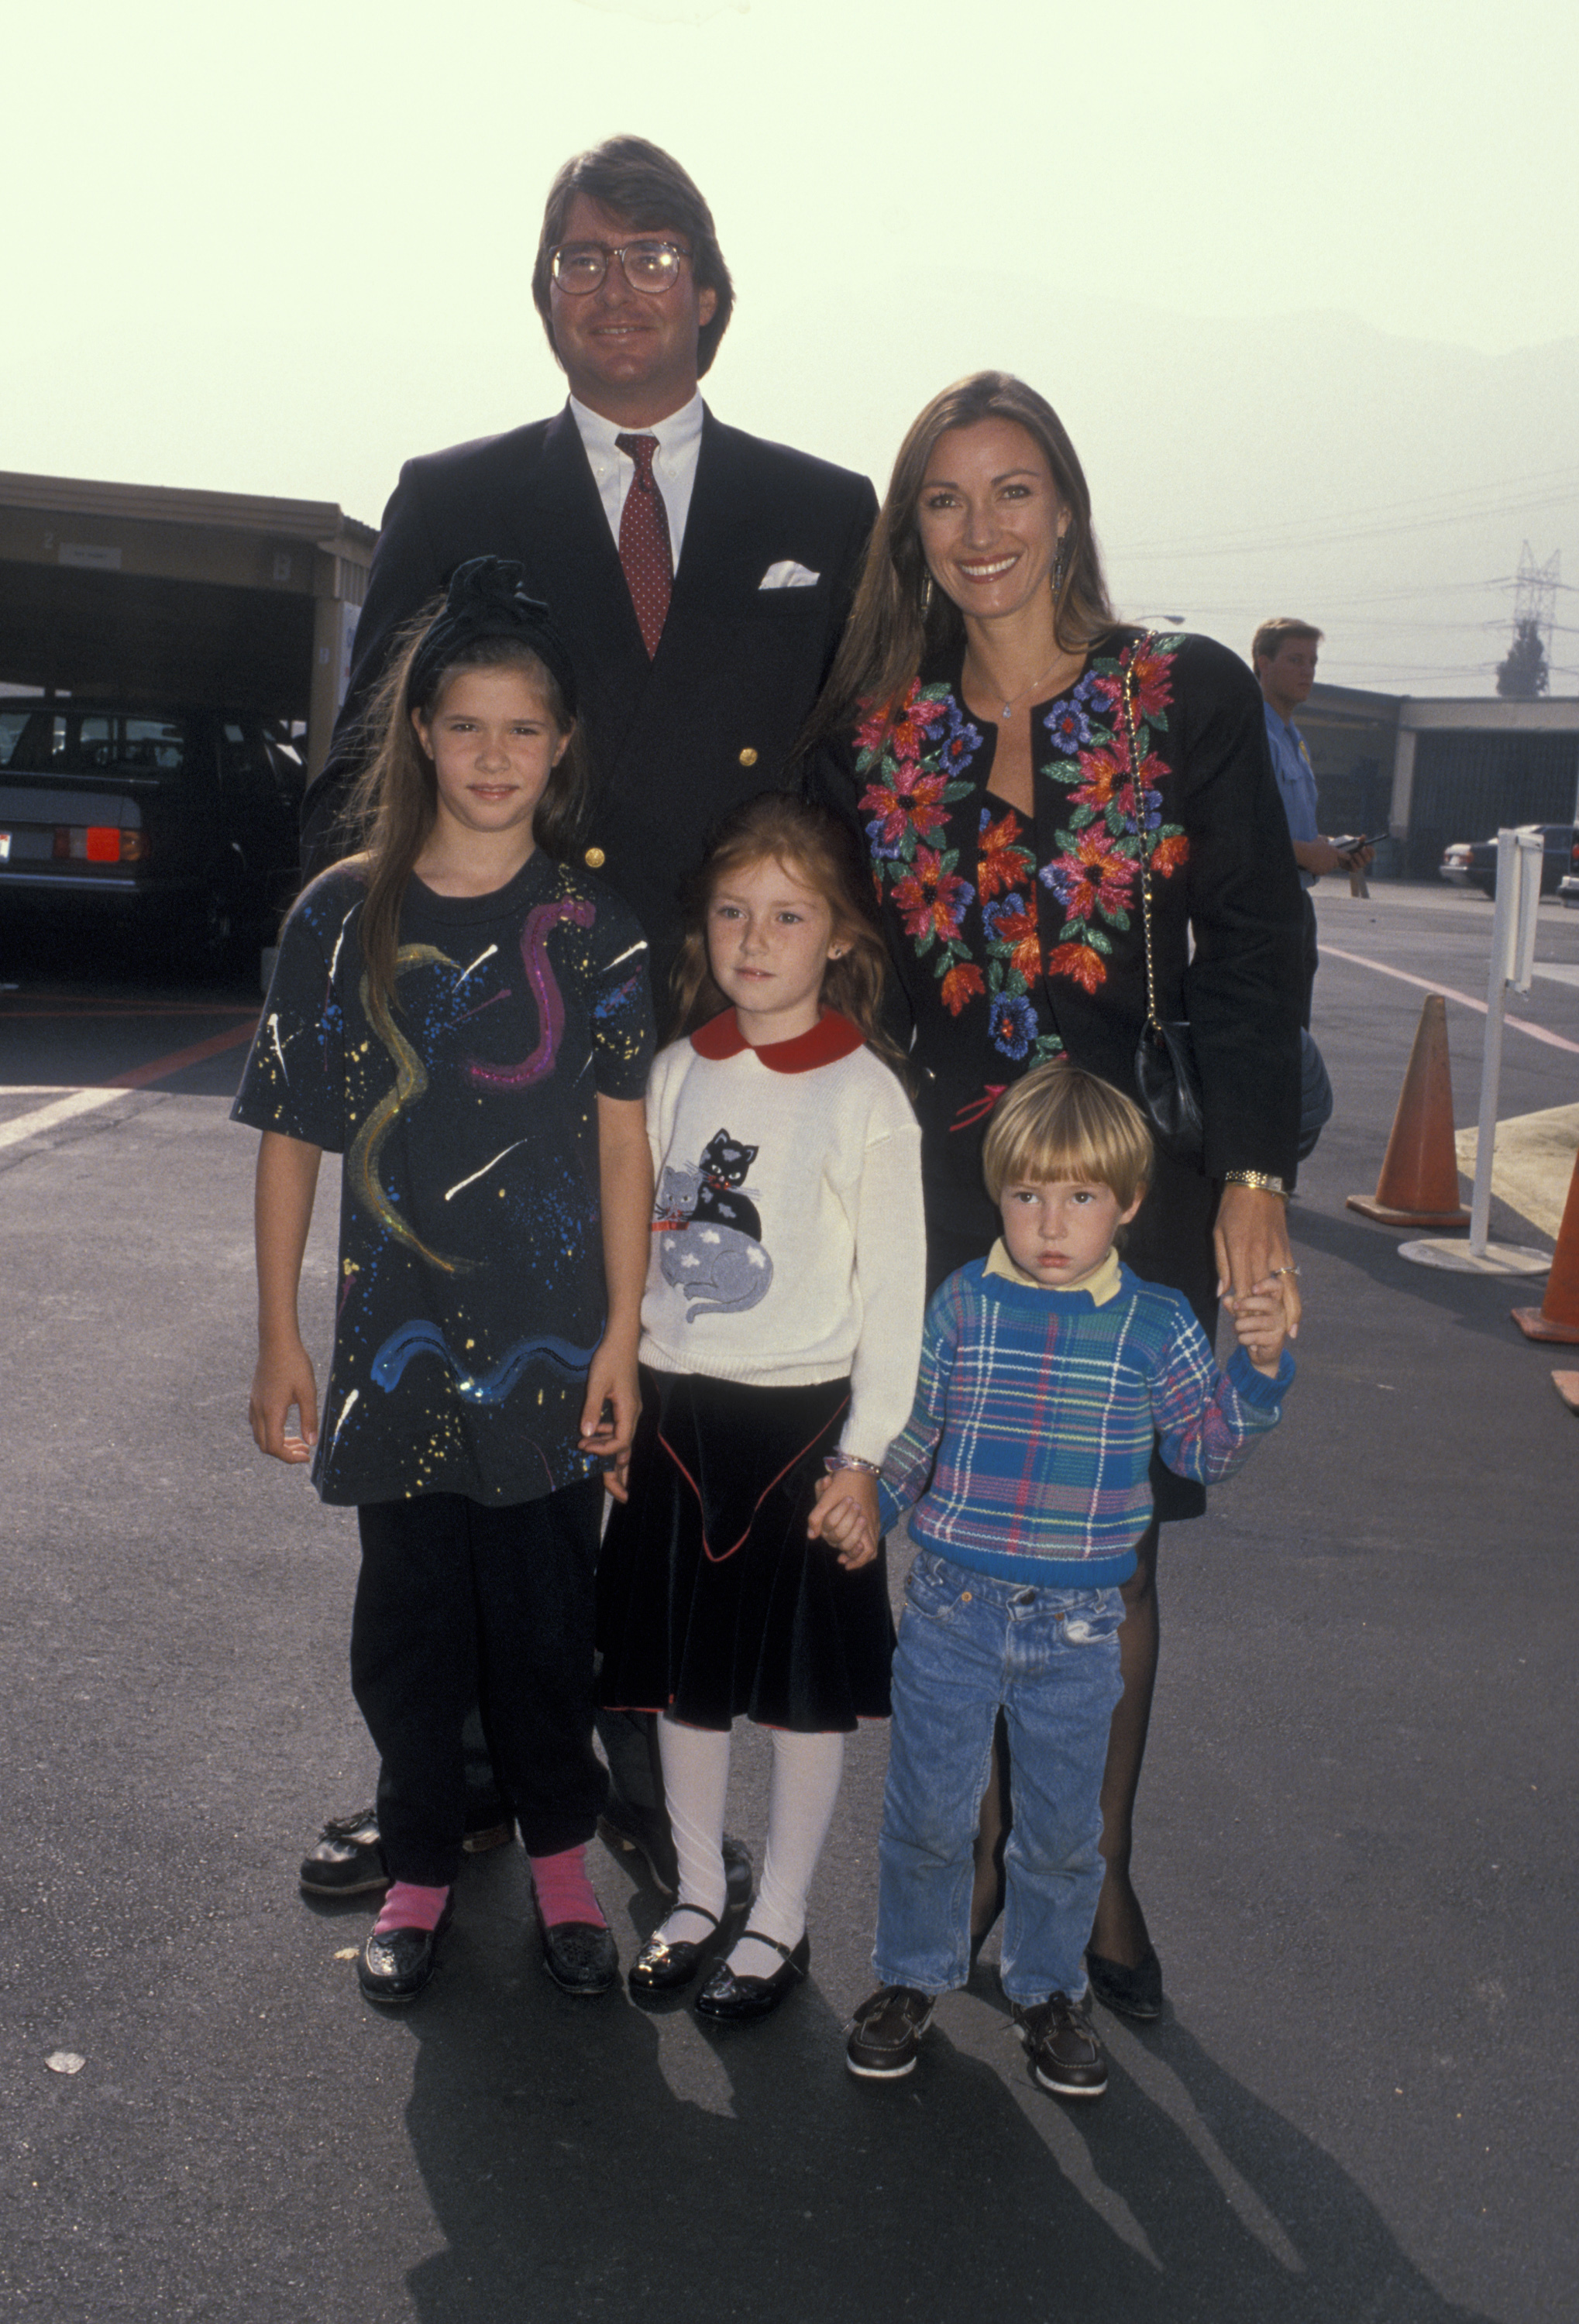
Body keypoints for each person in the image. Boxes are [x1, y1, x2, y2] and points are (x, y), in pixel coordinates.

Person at [297, 134, 878, 1904]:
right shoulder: (453, 489)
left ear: (708, 289)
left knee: (691, 1408)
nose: (609, 284)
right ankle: (450, 1774)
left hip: (727, 1041)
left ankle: (634, 1760)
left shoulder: (827, 511)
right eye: (575, 257)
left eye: (646, 255)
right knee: (468, 1419)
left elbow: (861, 786)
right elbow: (365, 767)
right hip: (497, 1047)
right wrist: (369, 979)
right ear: (541, 291)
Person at [807, 370, 1306, 2023]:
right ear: (910, 533)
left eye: (1011, 491)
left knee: (1111, 1563)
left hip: (1134, 1189)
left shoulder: (1182, 695)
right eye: (943, 501)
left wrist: (1250, 1178)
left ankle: (1085, 1869)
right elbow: (820, 950)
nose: (980, 531)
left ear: (1068, 506)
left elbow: (1252, 948)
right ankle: (959, 1855)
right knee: (947, 1537)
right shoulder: (871, 735)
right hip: (949, 1202)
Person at [237, 560, 655, 2005]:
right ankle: (418, 1865)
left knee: (547, 1627)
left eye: (522, 730)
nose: (492, 756)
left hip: (547, 1356)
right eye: (464, 725)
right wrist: (281, 1337)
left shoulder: (596, 937)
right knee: (409, 1627)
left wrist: (620, 1339)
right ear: (418, 731)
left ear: (560, 748)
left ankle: (556, 1866)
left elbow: (620, 1155)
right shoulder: (338, 921)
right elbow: (293, 1135)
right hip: (391, 1350)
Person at [835, 1064, 1294, 2095]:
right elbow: (916, 1436)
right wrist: (866, 1495)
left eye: (1080, 1197)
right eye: (1026, 1195)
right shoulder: (961, 1307)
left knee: (1057, 1831)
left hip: (1081, 1628)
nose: (1050, 1223)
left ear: (1127, 1205)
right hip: (951, 1610)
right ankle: (911, 1978)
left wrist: (1256, 1376)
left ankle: (1047, 1993)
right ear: (996, 1195)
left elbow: (1206, 1451)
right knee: (925, 1815)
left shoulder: (1156, 1325)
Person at [595, 793, 925, 2021]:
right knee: (681, 1675)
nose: (754, 937)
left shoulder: (864, 1096)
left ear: (837, 934)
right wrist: (620, 1387)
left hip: (804, 1436)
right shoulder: (675, 1071)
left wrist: (867, 1457)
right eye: (734, 912)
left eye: (787, 916)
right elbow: (631, 1247)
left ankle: (778, 1915)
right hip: (679, 1421)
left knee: (795, 1694)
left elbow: (892, 1298)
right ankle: (693, 1890)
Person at [1252, 618, 1374, 1027]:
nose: (1307, 671)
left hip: (1294, 905)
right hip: (1259, 911)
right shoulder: (1250, 734)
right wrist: (1306, 853)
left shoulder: (1293, 739)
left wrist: (1335, 852)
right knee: (1267, 1042)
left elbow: (1288, 828)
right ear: (1262, 664)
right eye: (1295, 660)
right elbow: (1237, 831)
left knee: (1292, 1040)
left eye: (1313, 662)